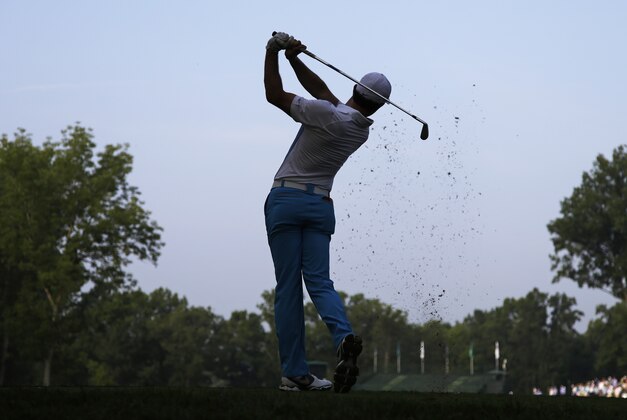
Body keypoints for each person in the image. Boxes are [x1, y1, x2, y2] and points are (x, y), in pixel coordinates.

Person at [263, 32, 391, 392]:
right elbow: (325, 95)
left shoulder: (327, 114)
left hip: (286, 201)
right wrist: (294, 60)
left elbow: (274, 95)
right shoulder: (358, 129)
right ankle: (343, 337)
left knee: (289, 287)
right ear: (378, 107)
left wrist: (271, 52)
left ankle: (295, 372)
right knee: (319, 281)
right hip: (321, 206)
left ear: (355, 87)